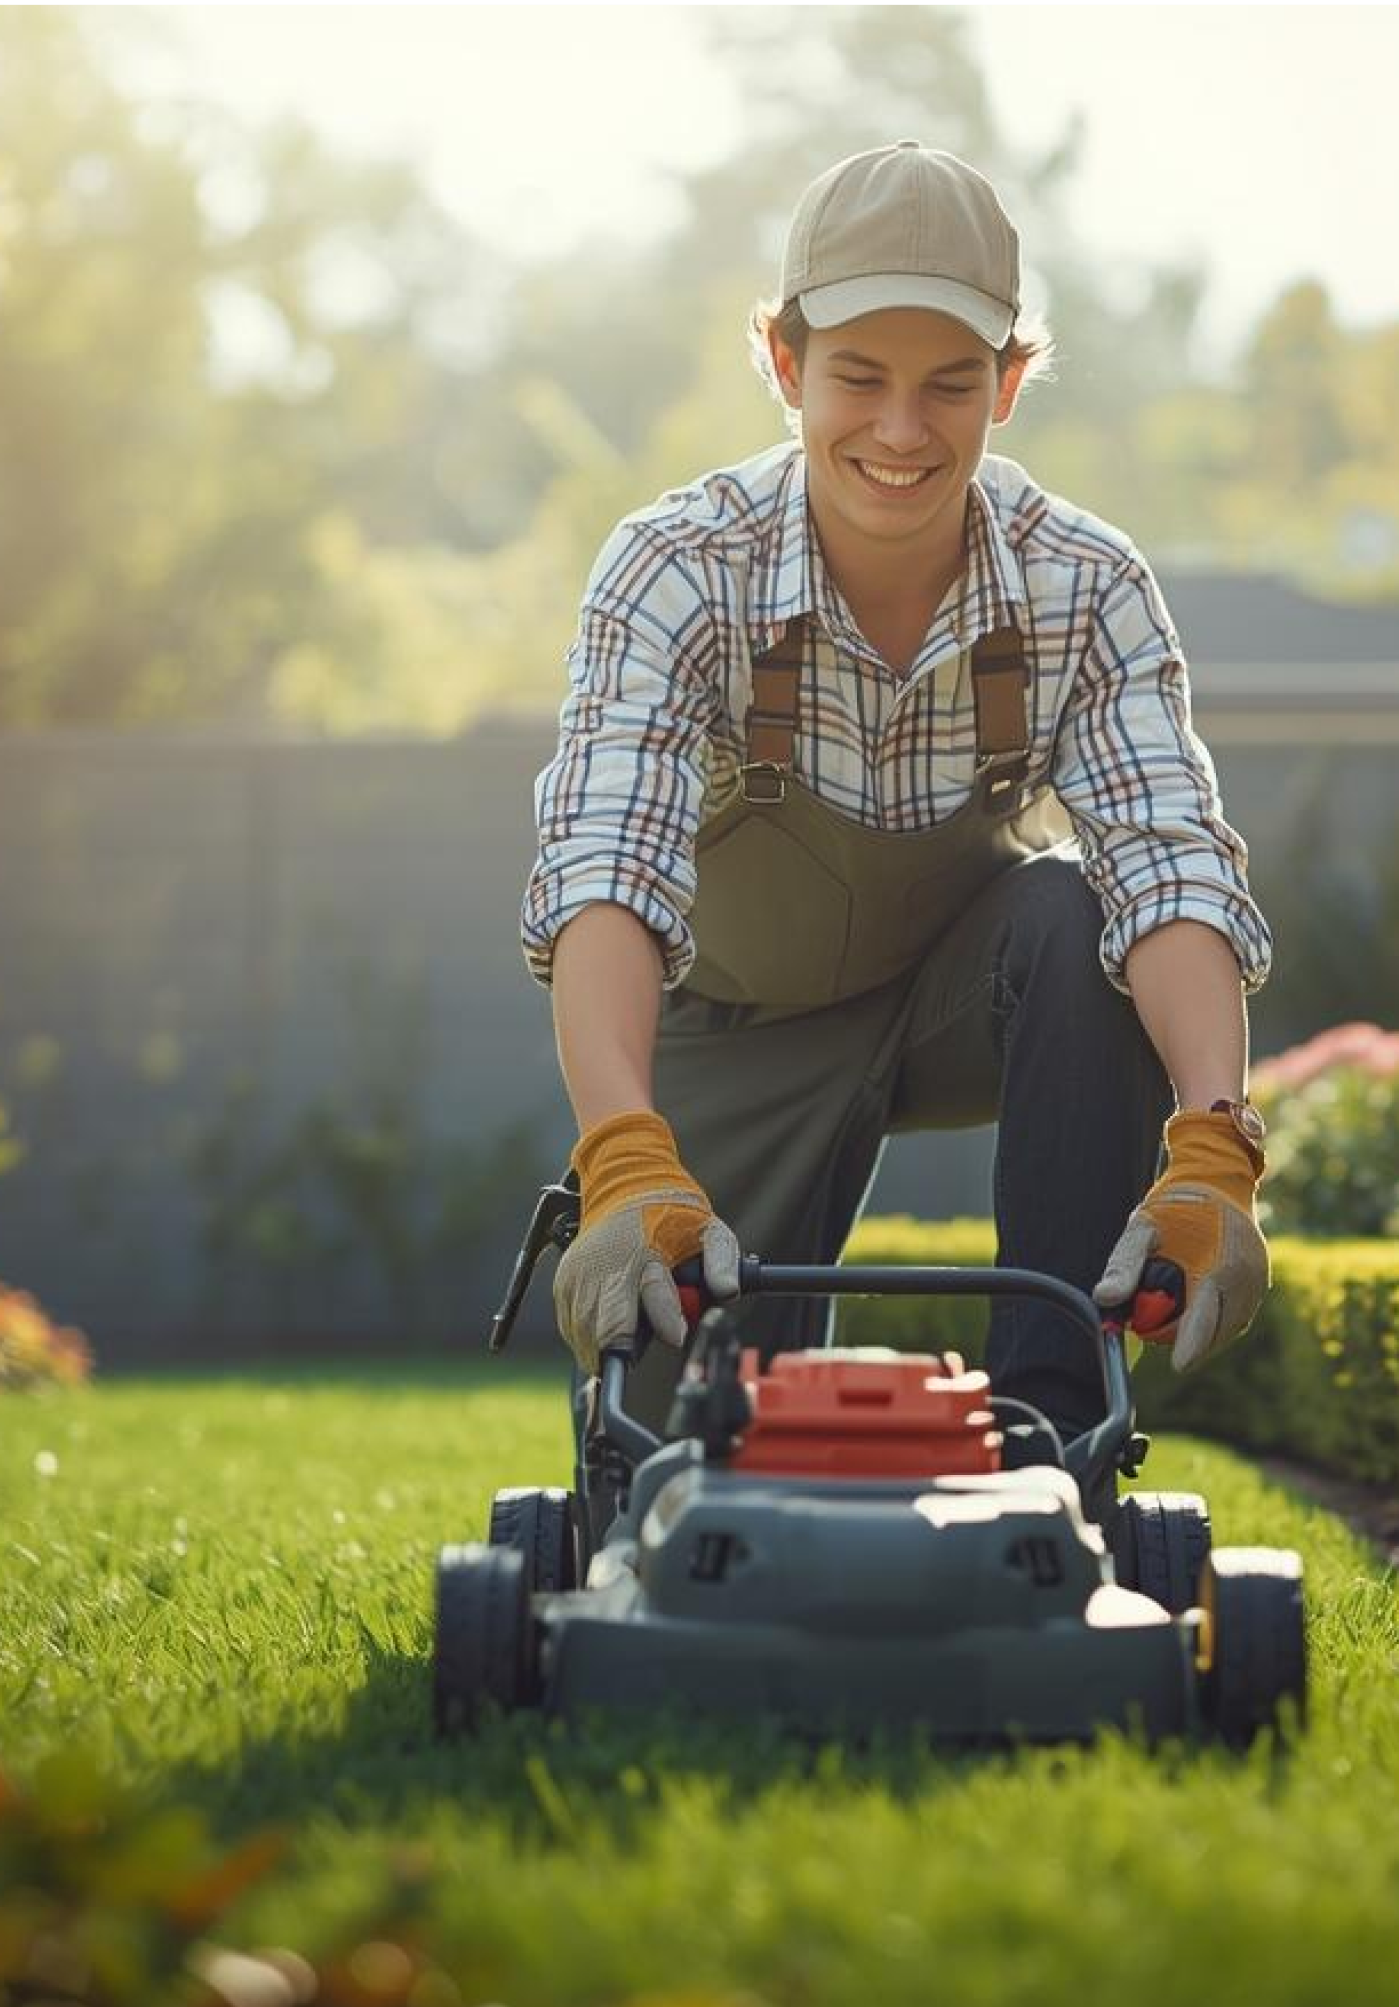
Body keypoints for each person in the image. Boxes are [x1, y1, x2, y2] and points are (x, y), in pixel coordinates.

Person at [521, 140, 1274, 1512]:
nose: (903, 431)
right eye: (860, 379)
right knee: (677, 1477)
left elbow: (1169, 867)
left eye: (950, 385)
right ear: (784, 362)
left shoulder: (1084, 583)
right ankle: (682, 1459)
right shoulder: (678, 567)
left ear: (1010, 383)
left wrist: (1214, 1148)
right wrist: (625, 1154)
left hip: (959, 1003)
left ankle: (1055, 1449)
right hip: (738, 1029)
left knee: (1074, 909)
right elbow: (604, 872)